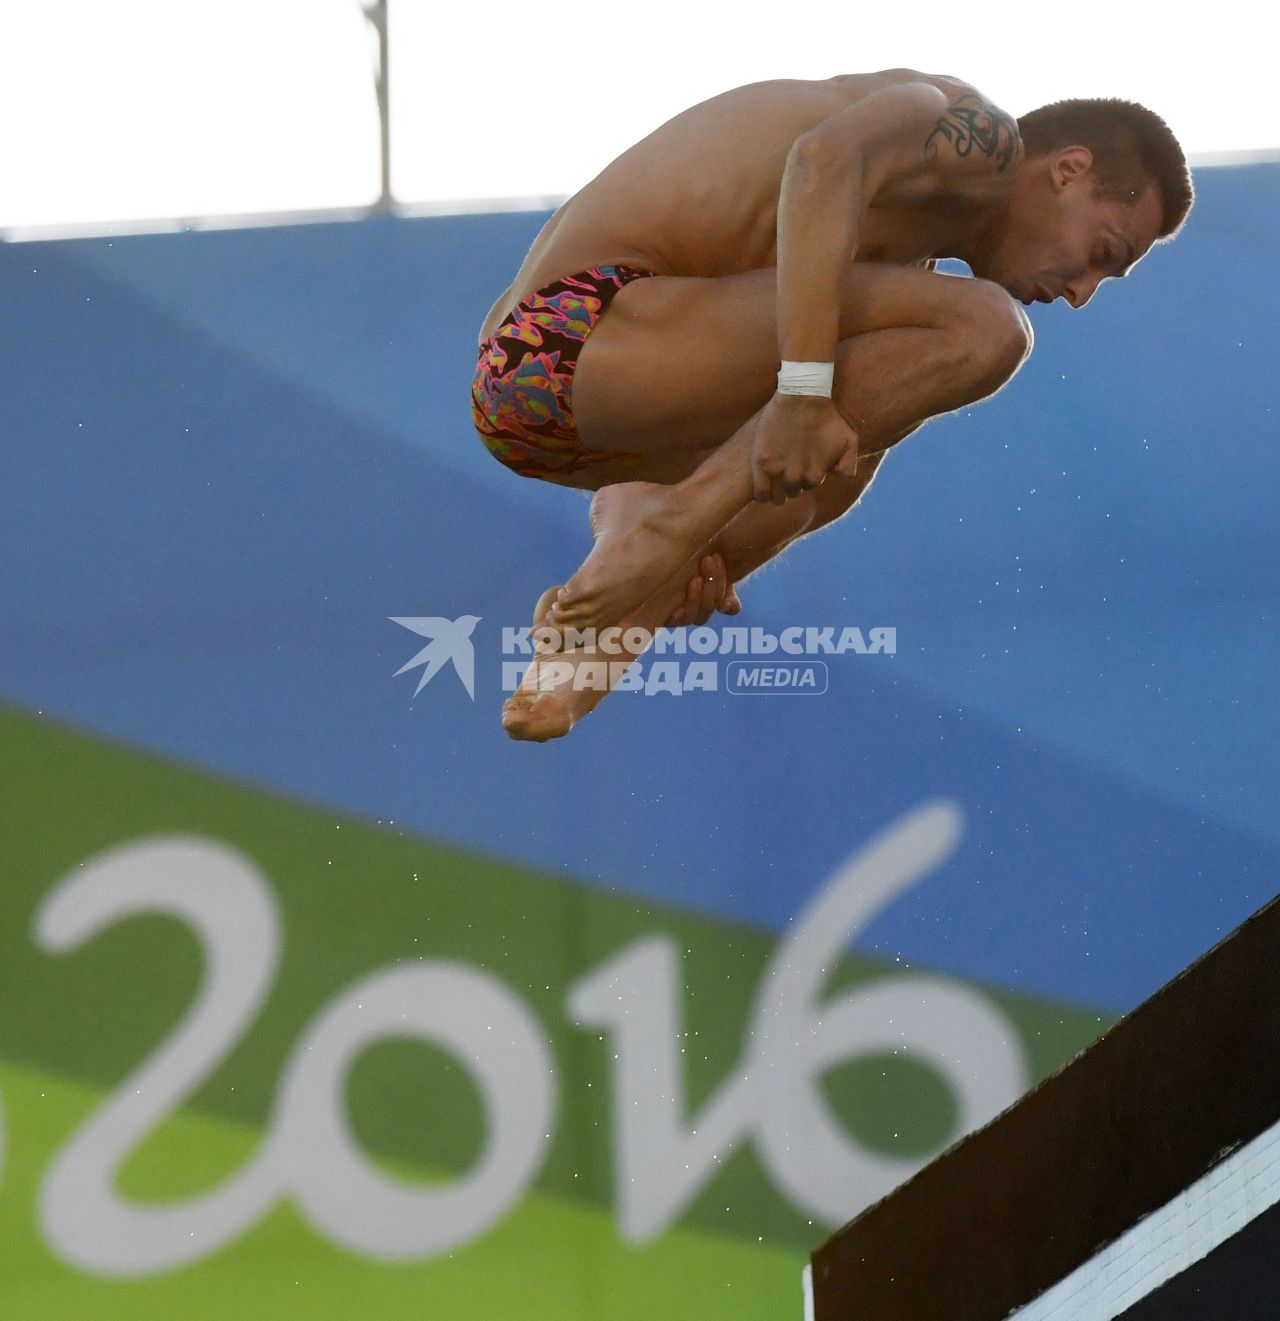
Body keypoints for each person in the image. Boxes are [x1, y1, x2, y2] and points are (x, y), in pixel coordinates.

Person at [471, 68, 1193, 741]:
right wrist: (802, 391)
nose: (1081, 291)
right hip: (560, 336)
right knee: (983, 329)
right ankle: (672, 527)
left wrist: (793, 427)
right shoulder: (982, 138)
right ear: (1067, 169)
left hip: (568, 414)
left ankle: (608, 626)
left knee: (841, 458)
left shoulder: (905, 257)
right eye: (1102, 250)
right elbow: (820, 161)